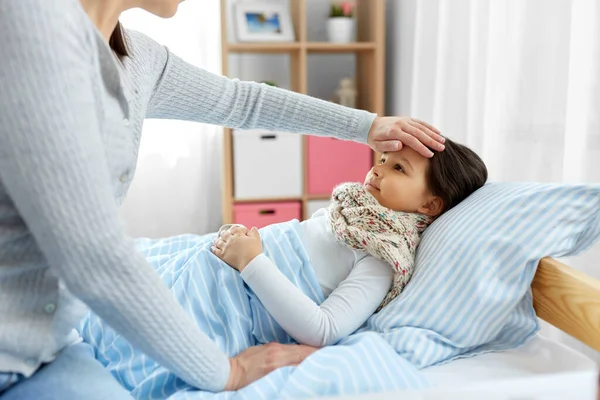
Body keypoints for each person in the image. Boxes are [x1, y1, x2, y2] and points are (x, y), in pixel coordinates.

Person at [0, 0, 445, 398]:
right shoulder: (35, 28)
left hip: (50, 341)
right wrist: (226, 372)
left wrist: (366, 127)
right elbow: (95, 259)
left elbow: (241, 101)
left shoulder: (135, 58)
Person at [211, 139, 488, 347]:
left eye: (399, 167)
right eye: (382, 159)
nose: (377, 170)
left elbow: (324, 329)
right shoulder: (349, 216)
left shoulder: (382, 255)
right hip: (222, 269)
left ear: (430, 204)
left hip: (228, 304)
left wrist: (251, 261)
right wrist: (238, 239)